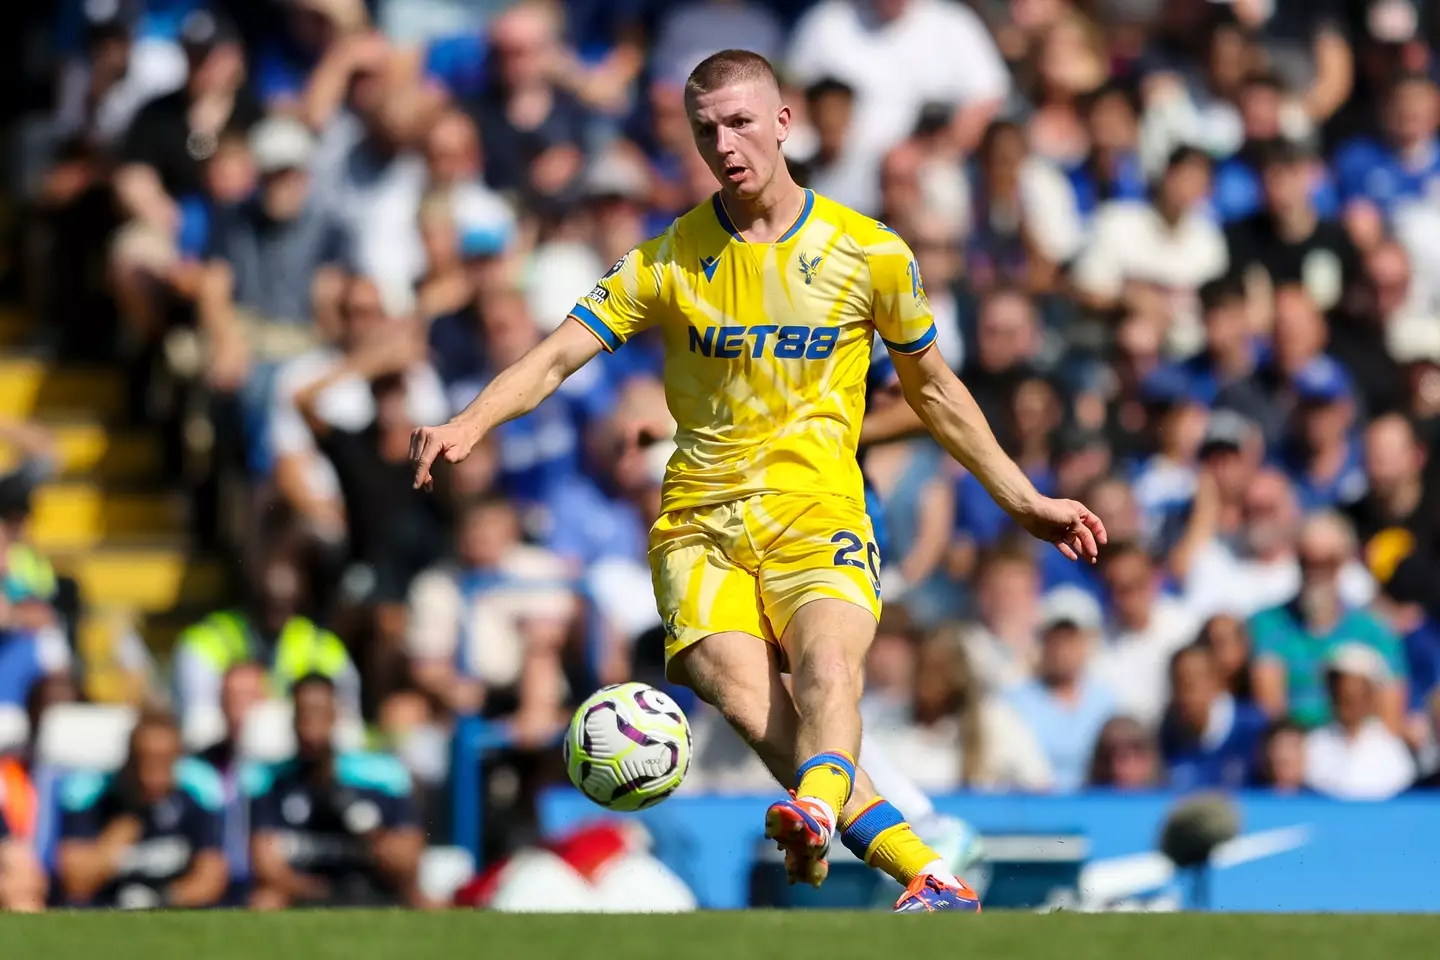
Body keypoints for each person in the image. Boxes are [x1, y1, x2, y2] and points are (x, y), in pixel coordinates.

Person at [410, 49, 1106, 913]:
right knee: (749, 702)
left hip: (820, 510)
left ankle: (836, 823)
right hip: (698, 528)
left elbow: (932, 390)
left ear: (783, 122)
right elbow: (556, 356)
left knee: (826, 668)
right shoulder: (668, 259)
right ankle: (919, 866)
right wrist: (468, 422)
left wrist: (1023, 497)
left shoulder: (870, 253)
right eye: (707, 131)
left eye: (741, 123)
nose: (725, 145)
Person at [248, 675, 427, 909]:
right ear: (293, 720)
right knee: (265, 901)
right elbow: (266, 866)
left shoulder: (382, 776)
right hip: (305, 891)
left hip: (372, 887)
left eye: (319, 713)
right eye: (304, 714)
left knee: (422, 899)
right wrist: (323, 892)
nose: (310, 725)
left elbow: (408, 864)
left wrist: (367, 827)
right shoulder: (270, 781)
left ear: (335, 715)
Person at [56, 709, 228, 909]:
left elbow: (210, 879)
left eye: (162, 763)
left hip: (173, 912)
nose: (149, 776)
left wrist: (160, 899)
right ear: (128, 759)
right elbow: (75, 883)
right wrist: (117, 836)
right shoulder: (94, 798)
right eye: (142, 761)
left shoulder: (196, 799)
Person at [1303, 644, 1416, 799]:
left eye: (1357, 695)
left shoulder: (1391, 749)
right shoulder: (1313, 745)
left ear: (1370, 696)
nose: (1349, 703)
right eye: (1342, 695)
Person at [1159, 644, 1268, 790]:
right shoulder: (1169, 735)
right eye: (1179, 681)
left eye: (1195, 679)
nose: (1187, 691)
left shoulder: (1253, 728)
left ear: (1217, 681)